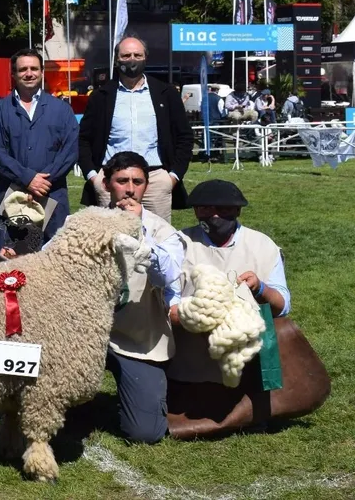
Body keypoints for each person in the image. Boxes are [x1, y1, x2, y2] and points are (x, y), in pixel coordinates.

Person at [99, 151, 185, 444]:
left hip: (137, 340)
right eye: (122, 180)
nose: (130, 188)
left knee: (145, 434)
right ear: (107, 184)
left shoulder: (163, 232)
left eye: (138, 181)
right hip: (86, 335)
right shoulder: (83, 222)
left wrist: (140, 234)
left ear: (146, 186)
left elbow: (168, 275)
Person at [168, 179, 290, 380]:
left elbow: (283, 306)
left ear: (237, 211)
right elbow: (167, 307)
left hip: (249, 355)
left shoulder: (263, 246)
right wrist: (200, 315)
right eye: (206, 209)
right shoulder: (178, 244)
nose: (215, 215)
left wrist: (260, 288)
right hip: (190, 355)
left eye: (224, 209)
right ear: (196, 211)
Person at [78, 36, 194, 223]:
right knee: (110, 241)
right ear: (117, 59)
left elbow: (185, 137)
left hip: (155, 179)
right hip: (112, 180)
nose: (132, 60)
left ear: (146, 58)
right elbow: (83, 139)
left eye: (137, 55)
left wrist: (172, 177)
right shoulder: (101, 96)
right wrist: (94, 177)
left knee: (157, 241)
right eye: (126, 55)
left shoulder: (166, 93)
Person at [0, 49, 78, 253]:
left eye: (34, 68)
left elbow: (70, 150)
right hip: (9, 194)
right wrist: (27, 178)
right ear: (14, 74)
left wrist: (44, 181)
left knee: (54, 262)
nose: (29, 73)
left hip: (51, 194)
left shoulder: (61, 110)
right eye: (22, 69)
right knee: (8, 265)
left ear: (42, 72)